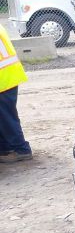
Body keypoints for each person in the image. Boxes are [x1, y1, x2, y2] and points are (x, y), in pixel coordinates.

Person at [0, 23, 32, 162]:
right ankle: (5, 148)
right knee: (4, 115)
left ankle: (21, 149)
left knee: (6, 116)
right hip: (8, 74)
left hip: (4, 78)